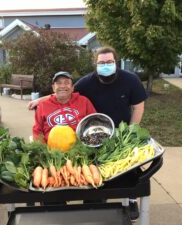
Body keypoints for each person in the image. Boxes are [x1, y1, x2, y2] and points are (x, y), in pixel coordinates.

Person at [28, 47, 147, 221]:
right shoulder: (84, 83)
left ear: (116, 62)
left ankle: (128, 200)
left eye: (109, 62)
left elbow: (137, 107)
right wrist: (39, 101)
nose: (105, 65)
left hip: (106, 136)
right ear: (95, 64)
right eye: (101, 63)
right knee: (51, 191)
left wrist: (129, 132)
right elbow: (61, 94)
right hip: (54, 153)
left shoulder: (130, 80)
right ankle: (58, 215)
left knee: (127, 165)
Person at [33, 71, 96, 142]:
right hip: (51, 150)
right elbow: (37, 132)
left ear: (72, 87)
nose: (62, 86)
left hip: (80, 148)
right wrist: (43, 150)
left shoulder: (84, 102)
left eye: (66, 83)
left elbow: (94, 123)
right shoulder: (43, 106)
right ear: (53, 87)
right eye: (59, 83)